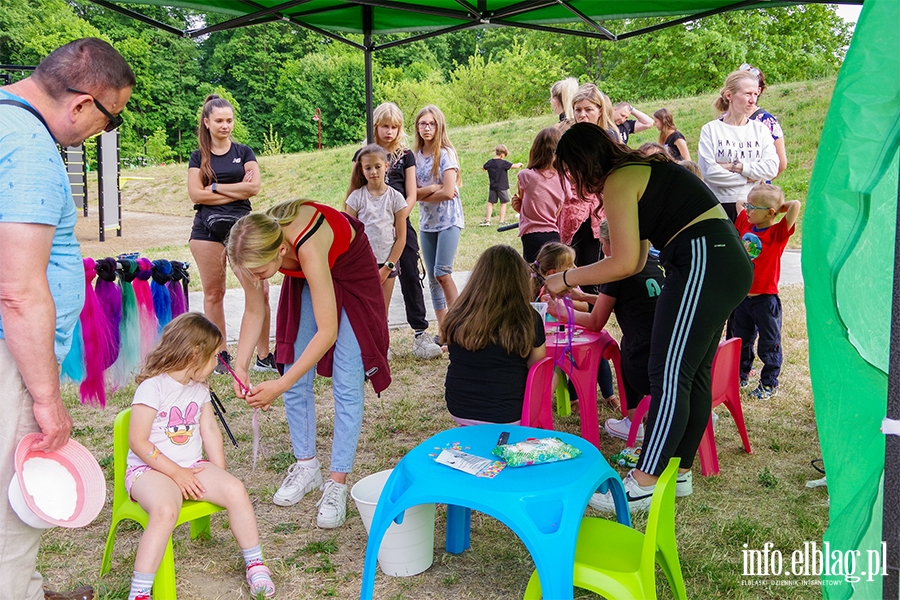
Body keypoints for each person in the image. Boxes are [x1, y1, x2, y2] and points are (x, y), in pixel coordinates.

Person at [545, 123, 752, 511]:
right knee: (693, 374)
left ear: (582, 161)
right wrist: (574, 282)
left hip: (703, 261)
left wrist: (566, 277)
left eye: (570, 172)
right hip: (721, 261)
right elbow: (635, 261)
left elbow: (623, 262)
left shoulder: (620, 179)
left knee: (669, 374)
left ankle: (644, 481)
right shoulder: (639, 172)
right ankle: (679, 472)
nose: (573, 183)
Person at [0, 38, 134, 600]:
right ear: (82, 103)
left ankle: (28, 587)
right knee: (13, 498)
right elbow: (19, 291)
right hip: (12, 355)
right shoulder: (30, 146)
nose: (105, 132)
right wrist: (47, 398)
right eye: (110, 119)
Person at [226, 200, 390, 529]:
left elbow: (327, 332)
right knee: (292, 366)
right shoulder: (250, 251)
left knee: (346, 376)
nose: (256, 279)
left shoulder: (307, 243)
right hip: (304, 271)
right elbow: (255, 310)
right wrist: (241, 364)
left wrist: (279, 384)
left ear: (282, 250)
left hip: (349, 268)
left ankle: (337, 483)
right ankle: (307, 467)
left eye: (260, 273)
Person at [126, 313, 275, 600]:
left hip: (191, 466)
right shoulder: (152, 388)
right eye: (216, 357)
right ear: (196, 355)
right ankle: (141, 591)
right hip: (150, 471)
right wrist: (176, 473)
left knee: (236, 490)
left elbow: (209, 431)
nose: (219, 363)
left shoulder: (199, 388)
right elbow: (137, 441)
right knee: (166, 511)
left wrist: (220, 472)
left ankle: (255, 564)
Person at [545, 220, 663, 447]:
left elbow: (595, 322)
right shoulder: (654, 260)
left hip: (644, 356)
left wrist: (562, 312)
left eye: (603, 244)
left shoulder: (616, 269)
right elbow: (626, 301)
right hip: (670, 345)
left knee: (627, 346)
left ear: (613, 244)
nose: (603, 251)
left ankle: (633, 421)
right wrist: (585, 298)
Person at [187, 94, 274, 374]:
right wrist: (234, 186)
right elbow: (194, 194)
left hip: (243, 228)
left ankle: (263, 356)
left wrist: (213, 188)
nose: (225, 125)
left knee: (259, 291)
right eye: (219, 121)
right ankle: (221, 354)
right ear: (207, 122)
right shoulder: (198, 156)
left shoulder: (244, 152)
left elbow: (254, 188)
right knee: (214, 293)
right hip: (205, 231)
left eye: (229, 120)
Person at [352, 102, 441, 359]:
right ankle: (378, 337)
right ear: (375, 127)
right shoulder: (364, 154)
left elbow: (411, 193)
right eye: (384, 126)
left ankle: (420, 333)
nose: (389, 132)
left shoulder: (405, 156)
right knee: (374, 279)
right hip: (370, 226)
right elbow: (354, 191)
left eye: (394, 127)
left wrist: (399, 215)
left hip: (400, 221)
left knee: (411, 274)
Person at [442, 245, 546, 425]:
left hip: (459, 408)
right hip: (509, 415)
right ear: (520, 280)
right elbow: (537, 369)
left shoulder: (457, 312)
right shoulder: (529, 317)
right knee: (552, 371)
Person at [733, 184, 801, 400]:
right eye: (749, 205)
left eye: (754, 207)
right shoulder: (746, 223)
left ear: (771, 212)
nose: (748, 210)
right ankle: (741, 375)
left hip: (765, 300)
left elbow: (796, 205)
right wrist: (755, 206)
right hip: (742, 297)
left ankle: (769, 383)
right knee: (740, 339)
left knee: (769, 343)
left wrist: (777, 207)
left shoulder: (777, 233)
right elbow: (738, 205)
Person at [698, 70, 779, 222]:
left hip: (754, 207)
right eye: (747, 94)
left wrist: (737, 167)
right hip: (719, 206)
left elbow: (771, 168)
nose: (752, 100)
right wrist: (750, 178)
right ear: (729, 96)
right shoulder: (711, 129)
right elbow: (709, 172)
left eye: (755, 94)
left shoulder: (760, 129)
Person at [414, 105, 464, 327]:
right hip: (427, 223)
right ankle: (443, 330)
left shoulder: (445, 153)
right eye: (423, 123)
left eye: (431, 123)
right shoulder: (414, 157)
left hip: (449, 221)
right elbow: (410, 194)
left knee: (442, 272)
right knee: (433, 281)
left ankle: (458, 326)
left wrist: (423, 193)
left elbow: (448, 192)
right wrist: (434, 187)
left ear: (439, 126)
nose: (427, 128)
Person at [344, 144, 408, 320]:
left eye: (377, 167)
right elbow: (349, 236)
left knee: (381, 313)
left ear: (386, 167)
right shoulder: (356, 198)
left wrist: (388, 267)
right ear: (362, 171)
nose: (373, 171)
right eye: (368, 168)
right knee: (362, 312)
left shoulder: (396, 198)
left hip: (387, 263)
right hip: (362, 264)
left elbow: (401, 238)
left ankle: (381, 347)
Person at [511, 128, 566, 262]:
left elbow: (525, 202)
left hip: (532, 234)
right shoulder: (563, 178)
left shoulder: (526, 175)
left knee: (534, 275)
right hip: (553, 233)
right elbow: (558, 209)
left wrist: (519, 207)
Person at [740, 63, 788, 177]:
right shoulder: (723, 119)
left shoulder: (767, 121)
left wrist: (760, 182)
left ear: (758, 90)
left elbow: (781, 164)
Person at [479, 144, 522, 227]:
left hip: (493, 187)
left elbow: (483, 167)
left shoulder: (490, 162)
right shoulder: (503, 163)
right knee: (503, 203)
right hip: (502, 187)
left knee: (490, 203)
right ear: (502, 154)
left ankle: (487, 221)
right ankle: (501, 221)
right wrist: (519, 164)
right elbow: (514, 166)